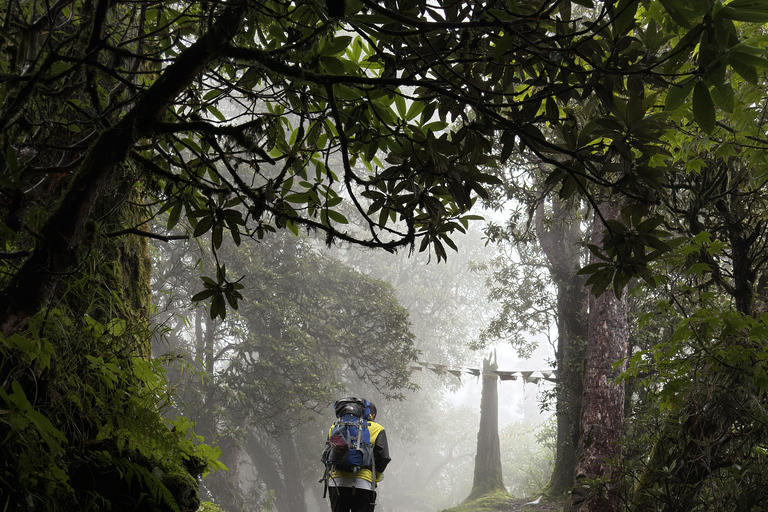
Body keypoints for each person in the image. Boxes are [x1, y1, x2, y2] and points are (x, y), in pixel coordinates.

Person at [327, 402, 391, 512]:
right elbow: (383, 457)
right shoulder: (377, 429)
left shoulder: (335, 426)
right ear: (372, 415)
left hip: (337, 483)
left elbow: (327, 455)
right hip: (363, 484)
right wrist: (377, 477)